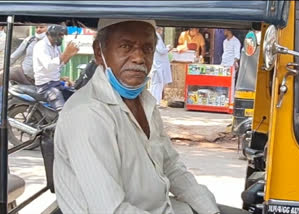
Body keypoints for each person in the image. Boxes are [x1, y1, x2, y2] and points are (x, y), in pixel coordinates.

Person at [53, 19, 250, 214]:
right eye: (125, 46)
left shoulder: (144, 101)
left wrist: (209, 210)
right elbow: (110, 210)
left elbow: (170, 165)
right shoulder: (88, 113)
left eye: (147, 49)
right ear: (99, 52)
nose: (139, 58)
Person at [33, 25, 79, 110]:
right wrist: (66, 53)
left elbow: (59, 65)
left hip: (55, 83)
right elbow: (49, 66)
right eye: (61, 35)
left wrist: (70, 54)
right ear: (54, 34)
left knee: (74, 97)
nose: (62, 38)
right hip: (45, 86)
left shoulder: (55, 47)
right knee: (62, 111)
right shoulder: (41, 46)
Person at [150, 26, 172, 105]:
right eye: (161, 29)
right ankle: (156, 101)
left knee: (156, 84)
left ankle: (155, 100)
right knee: (157, 84)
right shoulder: (157, 37)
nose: (162, 31)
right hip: (158, 65)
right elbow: (161, 50)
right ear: (158, 29)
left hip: (158, 64)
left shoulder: (155, 36)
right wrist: (168, 48)